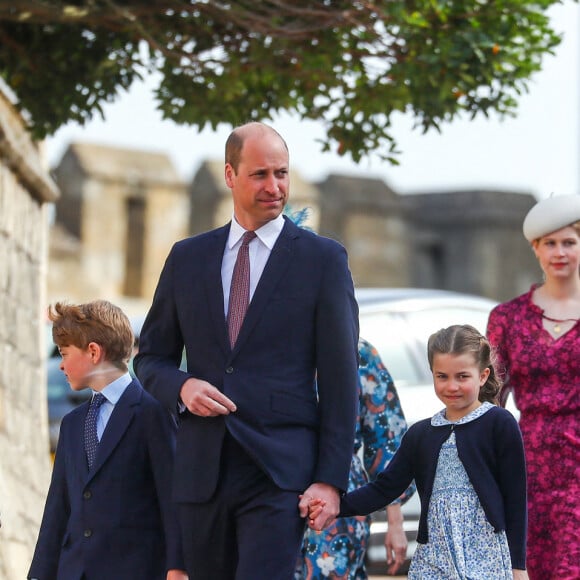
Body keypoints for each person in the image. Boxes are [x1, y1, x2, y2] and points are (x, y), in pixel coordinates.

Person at [133, 122, 360, 580]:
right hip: (202, 471)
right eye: (260, 174)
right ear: (230, 175)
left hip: (279, 471)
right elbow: (150, 358)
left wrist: (330, 480)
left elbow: (341, 379)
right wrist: (183, 386)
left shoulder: (323, 260)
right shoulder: (187, 258)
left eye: (282, 173)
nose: (274, 187)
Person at [302, 324, 529, 580]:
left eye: (462, 376)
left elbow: (515, 499)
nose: (451, 386)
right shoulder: (421, 434)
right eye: (442, 376)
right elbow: (384, 488)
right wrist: (334, 506)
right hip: (434, 556)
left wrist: (518, 565)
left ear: (483, 375)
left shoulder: (499, 423)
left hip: (485, 553)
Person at [28, 300, 186, 580]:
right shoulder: (72, 424)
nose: (61, 365)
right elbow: (58, 509)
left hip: (135, 569)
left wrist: (178, 567)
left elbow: (173, 496)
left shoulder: (153, 411)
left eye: (64, 354)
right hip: (74, 571)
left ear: (93, 352)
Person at [486, 194, 580, 580]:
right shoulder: (506, 318)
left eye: (569, 242)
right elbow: (490, 400)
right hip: (529, 469)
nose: (559, 252)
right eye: (550, 243)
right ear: (535, 249)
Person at [295, 338, 415, 579]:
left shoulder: (358, 351)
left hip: (337, 498)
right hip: (271, 489)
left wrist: (395, 522)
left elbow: (386, 436)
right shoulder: (267, 343)